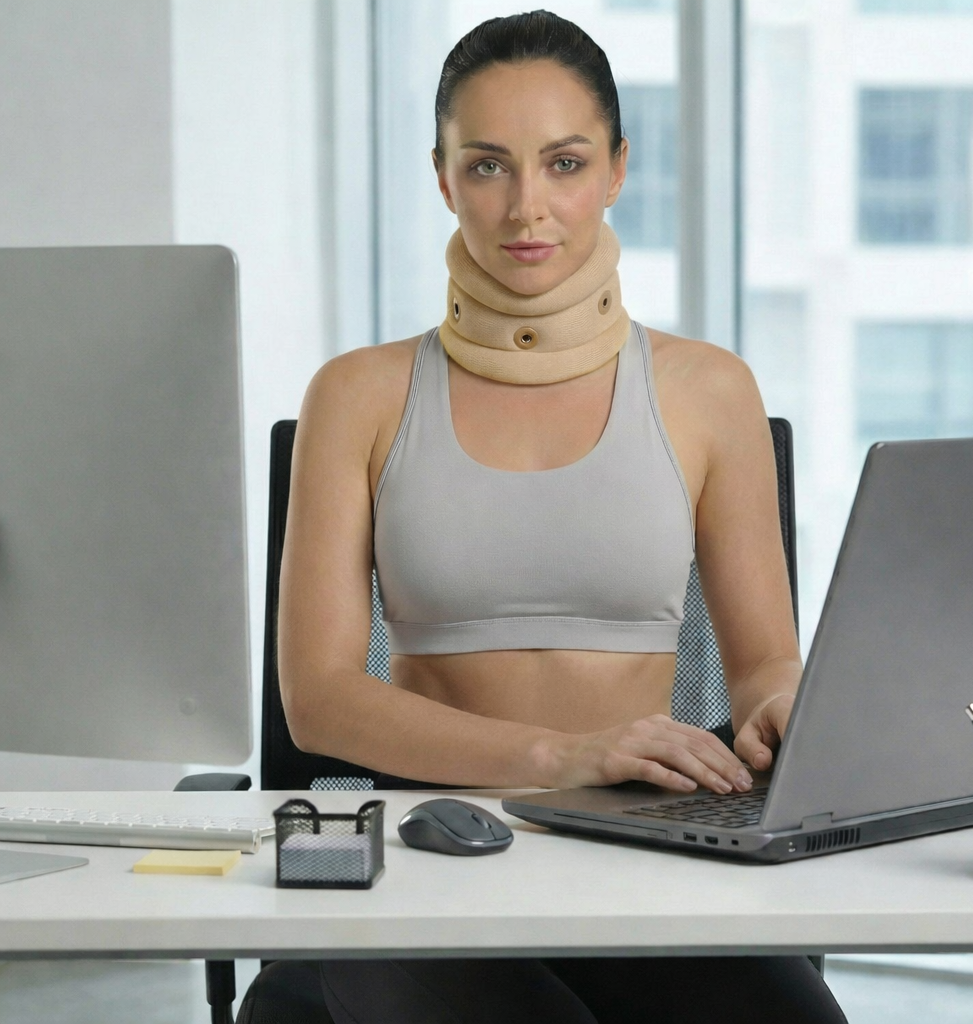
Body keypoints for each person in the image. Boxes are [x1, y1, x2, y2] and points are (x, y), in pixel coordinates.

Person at [237, 11, 847, 1024]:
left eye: (563, 163)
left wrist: (784, 708)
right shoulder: (359, 394)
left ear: (615, 168)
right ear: (441, 177)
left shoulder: (710, 390)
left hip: (653, 854)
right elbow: (320, 699)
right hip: (429, 853)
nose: (527, 207)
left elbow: (763, 666)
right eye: (487, 167)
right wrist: (556, 758)